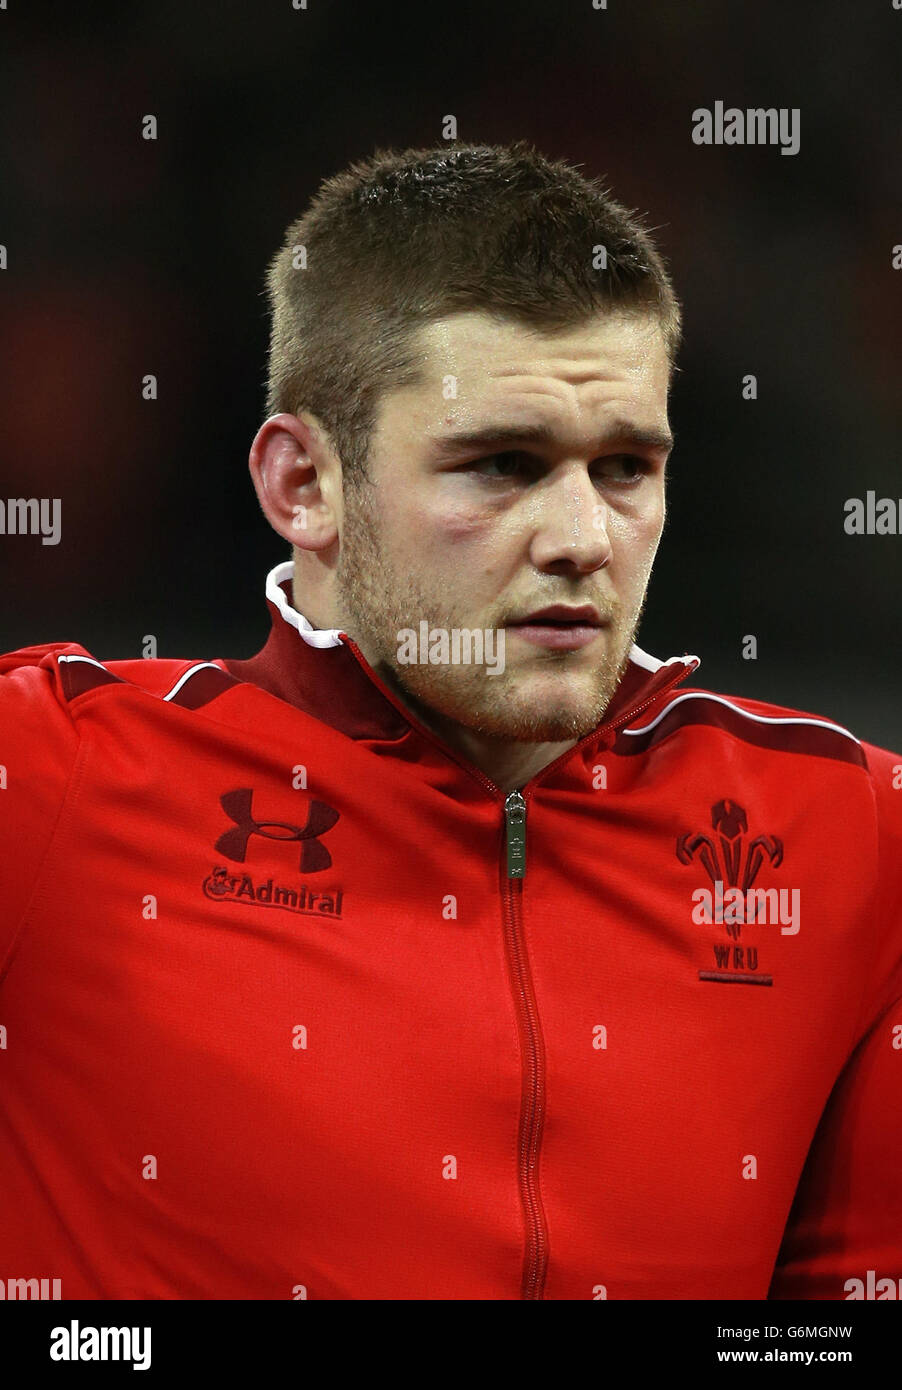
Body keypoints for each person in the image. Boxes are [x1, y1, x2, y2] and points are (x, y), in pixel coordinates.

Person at [1, 142, 899, 1300]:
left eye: (623, 467)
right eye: (501, 466)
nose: (580, 537)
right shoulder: (52, 771)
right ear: (302, 488)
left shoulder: (847, 834)